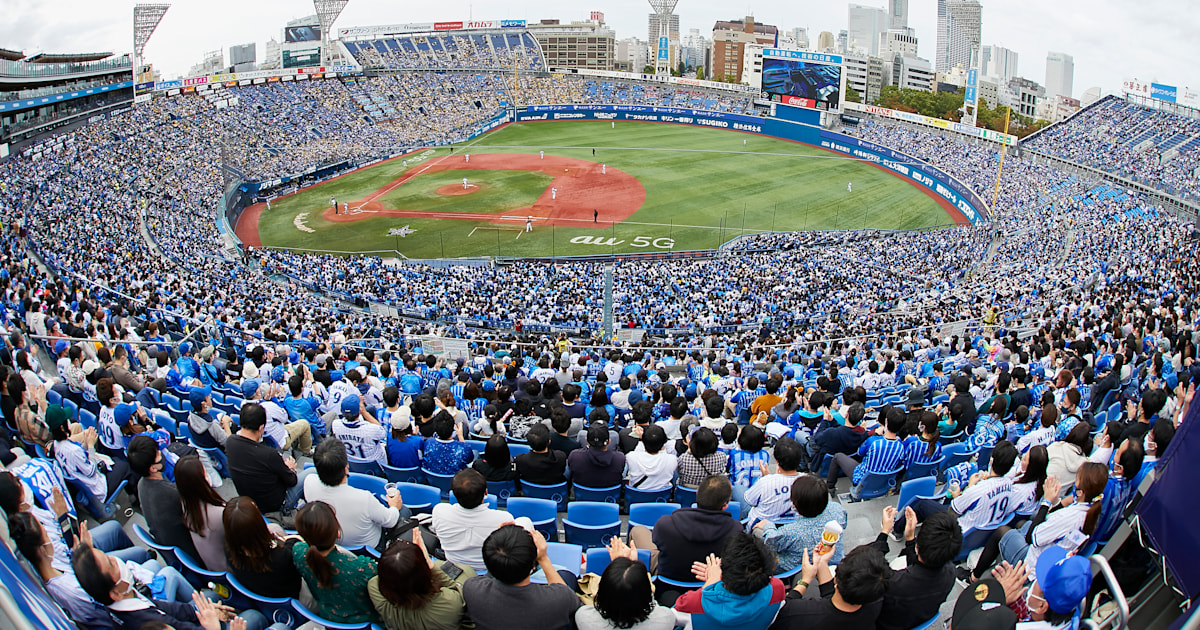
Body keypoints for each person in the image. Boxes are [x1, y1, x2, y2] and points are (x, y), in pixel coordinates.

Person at [970, 462, 1108, 580]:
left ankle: (974, 577)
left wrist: (1046, 502)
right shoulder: (1090, 511)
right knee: (1022, 524)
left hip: (1031, 567)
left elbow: (1032, 538)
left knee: (1001, 531)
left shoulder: (1071, 517)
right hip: (1047, 555)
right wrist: (1052, 502)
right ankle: (998, 559)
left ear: (1081, 492)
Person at [462, 524, 581, 630]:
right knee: (566, 576)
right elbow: (571, 600)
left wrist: (499, 542)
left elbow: (491, 571)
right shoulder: (559, 599)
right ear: (533, 564)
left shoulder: (471, 589)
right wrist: (543, 558)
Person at [630, 475, 740, 586]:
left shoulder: (666, 524)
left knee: (637, 531)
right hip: (712, 582)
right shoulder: (736, 531)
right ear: (725, 505)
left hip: (668, 581)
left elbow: (657, 542)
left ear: (697, 493)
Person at [866, 509, 962, 630]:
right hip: (919, 619)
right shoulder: (952, 572)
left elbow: (869, 567)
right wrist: (910, 539)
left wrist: (884, 532)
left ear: (918, 546)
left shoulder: (894, 583)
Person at [304, 437, 407, 549]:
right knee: (404, 511)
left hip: (335, 544)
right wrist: (395, 507)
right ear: (346, 468)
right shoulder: (364, 499)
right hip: (371, 547)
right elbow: (390, 521)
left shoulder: (309, 481)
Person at [673, 532, 787, 629]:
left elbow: (664, 619)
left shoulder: (690, 604)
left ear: (722, 575)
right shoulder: (777, 590)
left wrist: (709, 584)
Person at [293, 500, 382, 624]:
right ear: (337, 532)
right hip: (364, 623)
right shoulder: (361, 569)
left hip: (327, 618)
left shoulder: (298, 552)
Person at [370, 530, 474, 630]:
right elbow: (463, 587)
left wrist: (401, 570)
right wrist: (430, 564)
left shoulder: (375, 590)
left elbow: (381, 580)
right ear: (425, 574)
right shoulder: (449, 603)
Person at [769, 543, 889, 630]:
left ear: (835, 577)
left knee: (798, 577)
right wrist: (822, 563)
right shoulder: (876, 601)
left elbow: (783, 607)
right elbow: (833, 599)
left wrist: (805, 580)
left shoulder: (800, 612)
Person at [226, 403, 312, 520]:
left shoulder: (230, 443)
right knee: (310, 471)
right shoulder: (268, 454)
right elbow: (292, 480)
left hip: (249, 500)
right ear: (261, 428)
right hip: (276, 505)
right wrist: (290, 468)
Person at [126, 435, 201, 560]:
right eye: (157, 454)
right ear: (153, 468)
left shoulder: (141, 485)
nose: (161, 454)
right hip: (191, 550)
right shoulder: (172, 493)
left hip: (171, 547)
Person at [576, 538, 677, 630]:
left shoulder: (585, 618)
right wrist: (632, 570)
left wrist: (618, 566)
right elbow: (649, 598)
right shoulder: (666, 620)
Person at [753, 474, 848, 569]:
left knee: (758, 531)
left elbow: (772, 542)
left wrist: (768, 525)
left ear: (796, 504)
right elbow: (843, 525)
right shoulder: (837, 509)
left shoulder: (790, 532)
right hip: (835, 561)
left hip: (797, 567)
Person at [47, 403, 130, 509]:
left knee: (115, 460)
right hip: (97, 489)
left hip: (87, 484)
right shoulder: (72, 451)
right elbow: (91, 471)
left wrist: (86, 444)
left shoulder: (56, 445)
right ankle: (134, 498)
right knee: (125, 466)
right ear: (62, 427)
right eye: (66, 420)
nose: (69, 421)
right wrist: (90, 445)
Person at [431, 469, 514, 572]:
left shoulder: (439, 512)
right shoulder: (504, 519)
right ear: (486, 492)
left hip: (455, 568)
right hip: (488, 569)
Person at [223, 496, 302, 600]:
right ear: (258, 523)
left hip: (263, 596)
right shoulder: (283, 556)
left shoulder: (229, 552)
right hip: (293, 597)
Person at [826, 406, 905, 502]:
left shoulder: (873, 441)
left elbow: (860, 452)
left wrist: (875, 435)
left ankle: (830, 487)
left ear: (886, 421)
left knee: (838, 456)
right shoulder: (901, 447)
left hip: (862, 480)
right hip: (883, 483)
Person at [176, 454, 229, 571]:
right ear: (201, 480)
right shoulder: (219, 514)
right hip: (230, 568)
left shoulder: (186, 505)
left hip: (212, 567)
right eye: (205, 472)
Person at [742, 437, 803, 524]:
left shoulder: (765, 482)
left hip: (761, 527)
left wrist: (766, 478)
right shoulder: (808, 481)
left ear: (777, 461)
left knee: (738, 488)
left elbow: (750, 501)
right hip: (794, 525)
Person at [334, 394, 388, 467]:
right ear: (359, 410)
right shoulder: (371, 429)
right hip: (375, 467)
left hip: (352, 465)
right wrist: (364, 412)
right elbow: (383, 432)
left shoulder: (335, 425)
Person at [568, 422, 627, 488]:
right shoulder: (620, 458)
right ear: (609, 442)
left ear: (586, 440)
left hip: (583, 496)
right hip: (609, 497)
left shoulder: (575, 456)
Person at [625, 424, 677, 492]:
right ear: (663, 444)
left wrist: (642, 439)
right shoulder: (672, 460)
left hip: (637, 497)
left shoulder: (631, 457)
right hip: (660, 499)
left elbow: (637, 453)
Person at [421, 411, 473, 475]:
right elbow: (469, 457)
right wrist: (460, 436)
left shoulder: (428, 444)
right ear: (453, 428)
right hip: (456, 482)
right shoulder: (462, 448)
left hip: (433, 482)